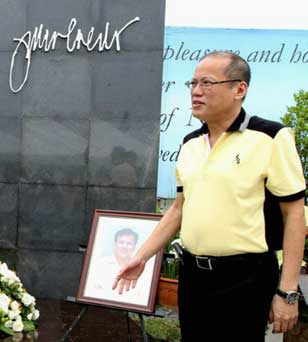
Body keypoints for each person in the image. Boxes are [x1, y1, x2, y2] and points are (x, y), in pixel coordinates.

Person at [113, 51, 306, 341]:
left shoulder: (271, 137)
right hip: (193, 275)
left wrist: (287, 291)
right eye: (192, 83)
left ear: (239, 89)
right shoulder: (190, 144)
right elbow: (179, 209)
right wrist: (141, 257)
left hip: (246, 277)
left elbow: (294, 214)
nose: (196, 91)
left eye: (207, 83)